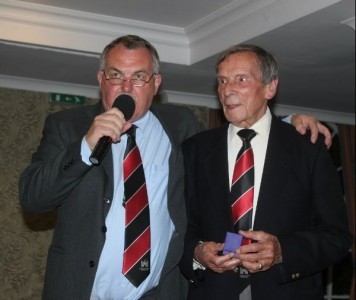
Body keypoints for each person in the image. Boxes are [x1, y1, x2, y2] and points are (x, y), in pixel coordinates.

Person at [19, 35, 333, 300]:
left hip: (160, 292)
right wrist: (86, 146)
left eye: (139, 77)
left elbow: (240, 138)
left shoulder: (180, 125)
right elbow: (33, 197)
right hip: (83, 292)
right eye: (116, 75)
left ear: (155, 84)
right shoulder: (66, 126)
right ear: (101, 79)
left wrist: (287, 125)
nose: (127, 86)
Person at [179, 44, 352, 300]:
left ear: (270, 87)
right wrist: (196, 253)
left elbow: (336, 237)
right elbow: (177, 227)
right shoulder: (194, 149)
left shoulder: (307, 149)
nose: (227, 90)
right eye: (222, 81)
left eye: (241, 79)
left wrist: (283, 250)